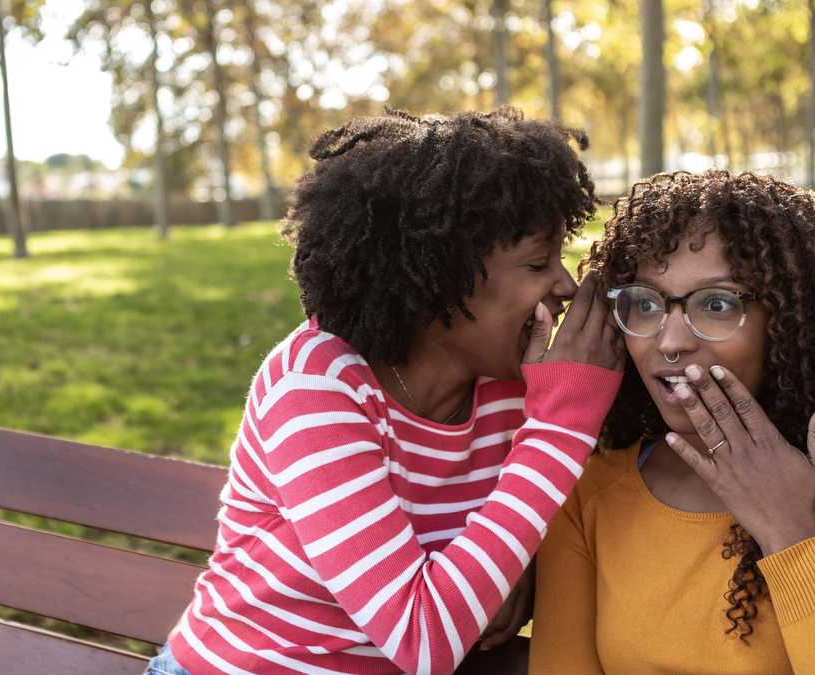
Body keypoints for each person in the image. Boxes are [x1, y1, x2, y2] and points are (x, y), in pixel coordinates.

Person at [145, 108, 625, 675]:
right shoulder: (318, 387)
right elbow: (423, 638)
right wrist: (559, 427)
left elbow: (523, 538)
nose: (566, 284)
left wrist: (524, 571)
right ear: (440, 280)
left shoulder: (511, 382)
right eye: (538, 263)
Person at [529, 170, 815, 673]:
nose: (670, 341)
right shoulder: (590, 492)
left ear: (795, 323)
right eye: (645, 303)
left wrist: (791, 534)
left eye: (717, 304)